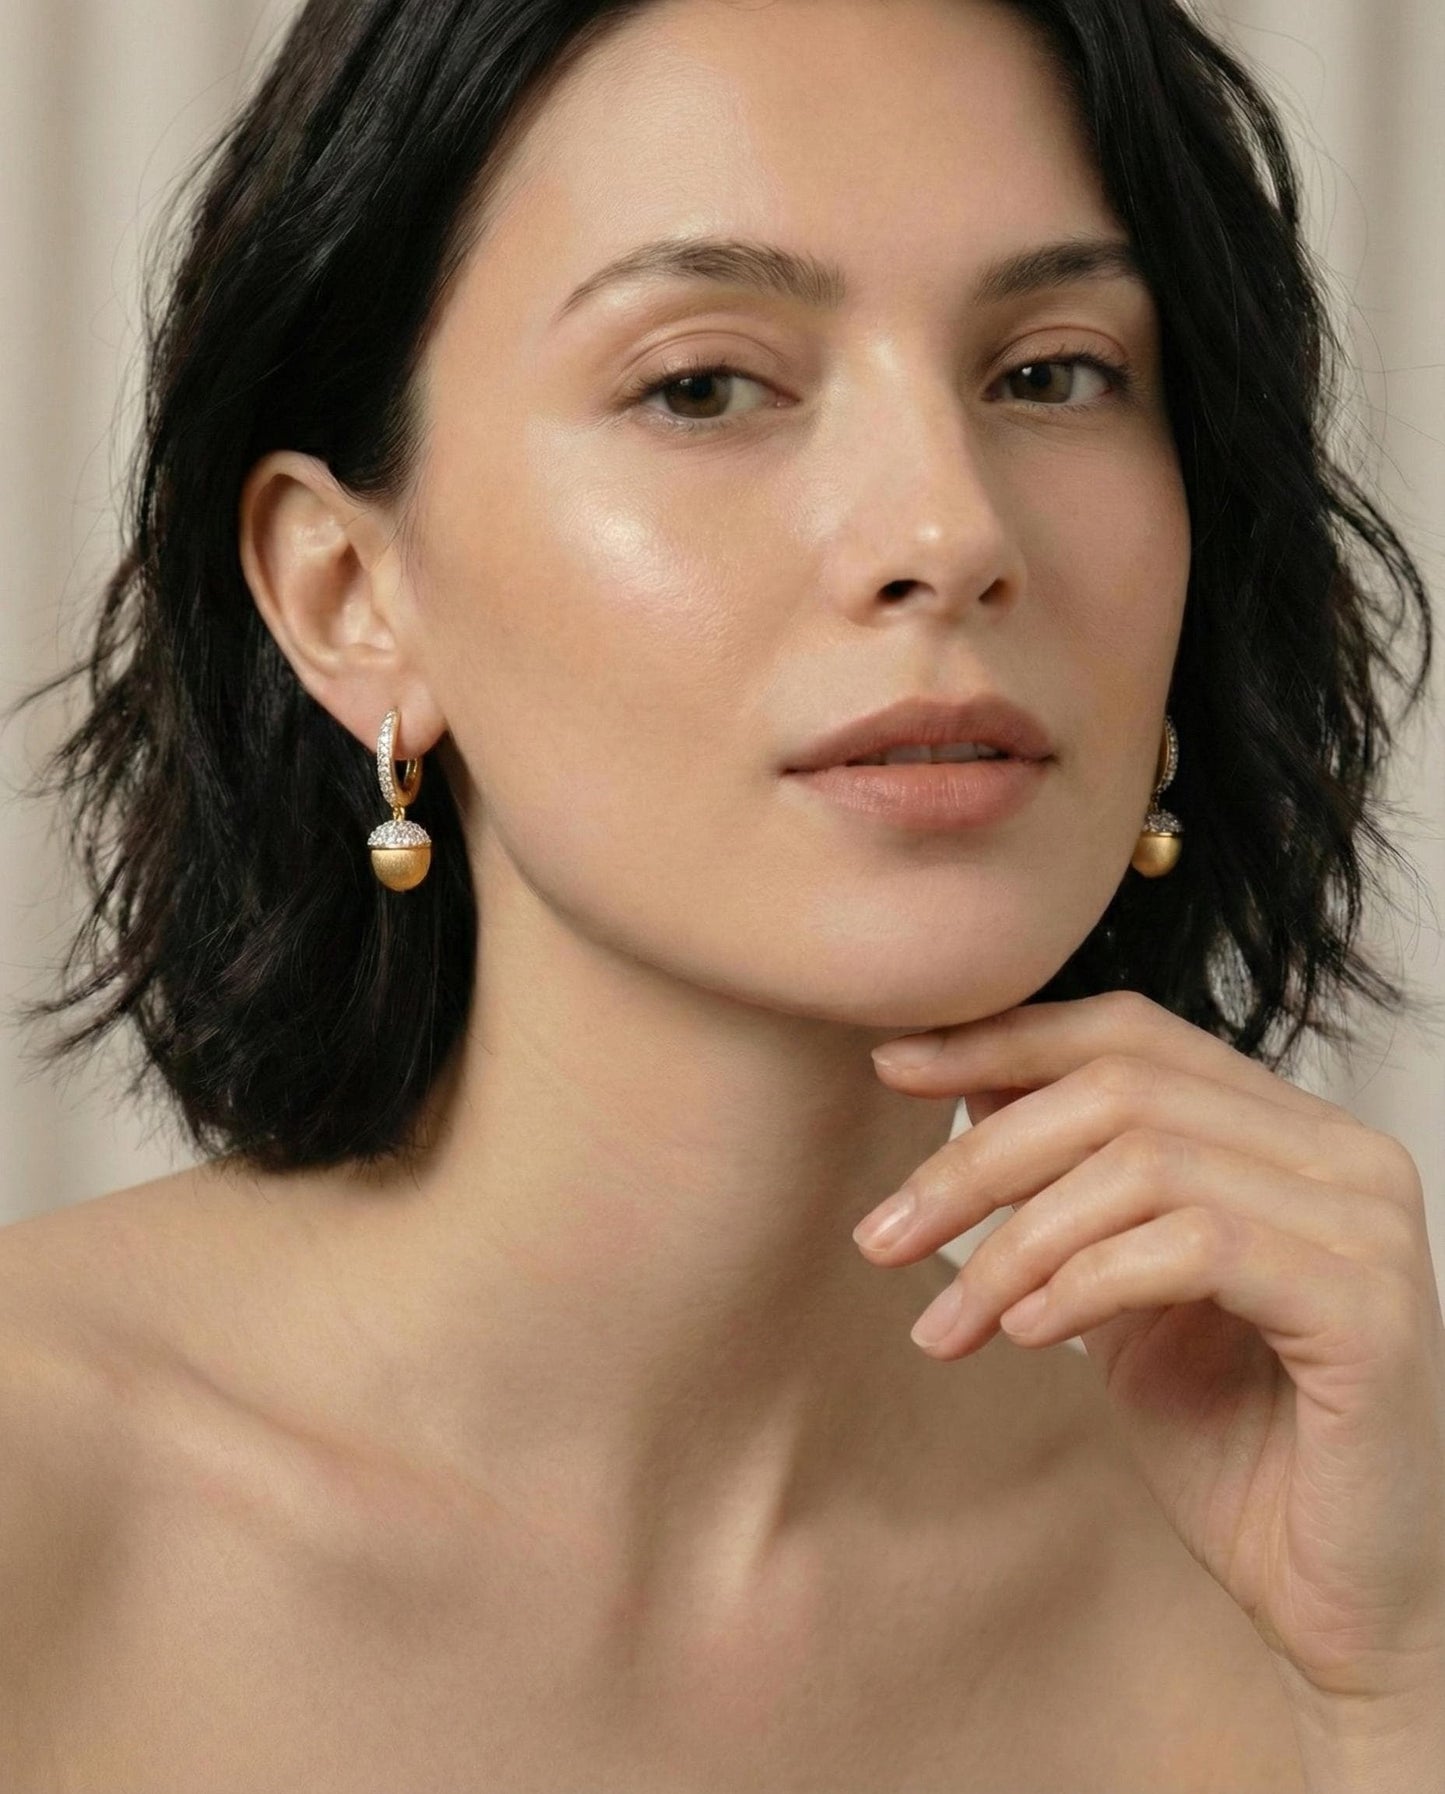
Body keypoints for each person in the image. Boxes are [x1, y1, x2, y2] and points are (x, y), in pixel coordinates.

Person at [2, 0, 1440, 1787]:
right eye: (703, 386)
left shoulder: (1333, 1565)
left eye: (1052, 372)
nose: (950, 527)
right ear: (348, 592)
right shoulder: (38, 1499)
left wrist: (1390, 1707)